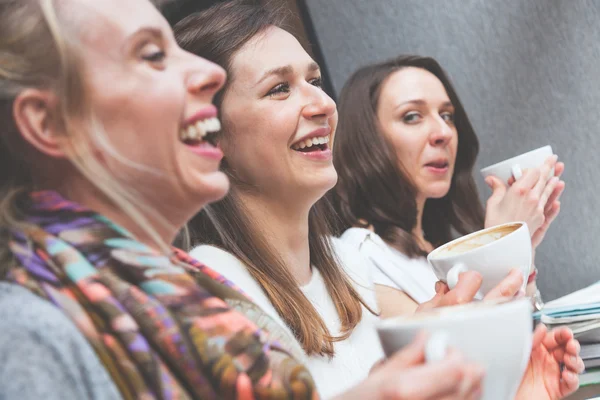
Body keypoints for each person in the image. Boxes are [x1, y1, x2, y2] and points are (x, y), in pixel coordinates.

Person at [0, 0, 496, 399]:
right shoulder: (27, 334)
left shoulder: (184, 289)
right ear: (48, 123)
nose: (205, 76)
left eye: (316, 82)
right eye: (153, 55)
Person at [175, 1, 582, 399]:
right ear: (210, 136)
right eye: (279, 89)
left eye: (314, 82)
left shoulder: (346, 269)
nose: (323, 104)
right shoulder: (213, 291)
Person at [332, 55, 564, 317]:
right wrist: (500, 241)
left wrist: (524, 251)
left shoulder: (438, 245)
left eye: (447, 115)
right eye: (412, 116)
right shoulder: (359, 257)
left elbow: (532, 337)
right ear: (367, 141)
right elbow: (468, 351)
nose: (443, 132)